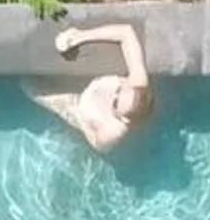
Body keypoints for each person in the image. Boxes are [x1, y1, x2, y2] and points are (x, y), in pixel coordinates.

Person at [32, 22, 155, 153]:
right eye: (118, 90)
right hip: (90, 86)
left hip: (78, 106)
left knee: (31, 89)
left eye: (115, 103)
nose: (110, 95)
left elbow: (98, 145)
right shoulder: (137, 82)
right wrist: (80, 36)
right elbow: (126, 32)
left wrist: (81, 121)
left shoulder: (113, 131)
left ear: (123, 119)